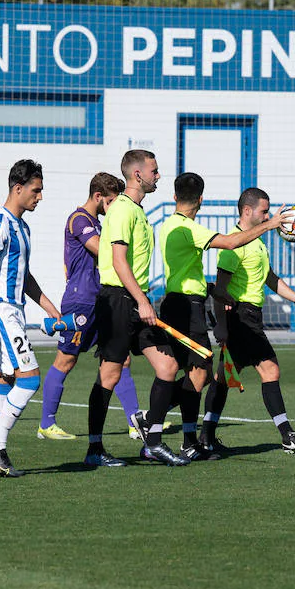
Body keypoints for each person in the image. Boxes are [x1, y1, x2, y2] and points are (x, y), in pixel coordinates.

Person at [158, 172, 286, 460]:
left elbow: (185, 272)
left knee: (202, 375)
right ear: (201, 199)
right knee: (202, 374)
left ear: (174, 196)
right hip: (189, 307)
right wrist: (269, 225)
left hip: (184, 302)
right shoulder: (188, 229)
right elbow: (229, 243)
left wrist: (214, 292)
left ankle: (188, 435)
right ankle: (162, 423)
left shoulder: (171, 226)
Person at [86, 149, 186, 467]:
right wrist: (142, 300)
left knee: (168, 368)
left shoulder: (138, 211)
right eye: (154, 171)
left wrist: (142, 299)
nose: (159, 175)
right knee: (110, 374)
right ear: (138, 175)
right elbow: (117, 261)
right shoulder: (121, 211)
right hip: (117, 301)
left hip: (134, 299)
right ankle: (94, 450)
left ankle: (152, 443)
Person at [209, 187, 295, 454]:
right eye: (265, 211)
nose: (270, 215)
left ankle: (202, 435)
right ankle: (288, 435)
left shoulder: (257, 243)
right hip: (240, 317)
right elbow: (219, 288)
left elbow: (271, 279)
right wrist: (222, 325)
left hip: (249, 317)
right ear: (247, 211)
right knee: (269, 370)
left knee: (221, 378)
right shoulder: (233, 245)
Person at [36, 172, 144, 441]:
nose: (113, 208)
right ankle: (46, 424)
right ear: (98, 197)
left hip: (103, 300)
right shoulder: (79, 219)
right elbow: (101, 250)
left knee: (120, 359)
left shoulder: (98, 221)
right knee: (67, 359)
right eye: (110, 202)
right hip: (80, 300)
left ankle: (134, 423)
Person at [0, 160, 62, 477]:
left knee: (2, 382)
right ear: (18, 188)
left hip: (13, 311)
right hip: (2, 311)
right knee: (30, 378)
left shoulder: (22, 227)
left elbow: (24, 277)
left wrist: (49, 307)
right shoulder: (0, 223)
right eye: (36, 191)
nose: (39, 197)